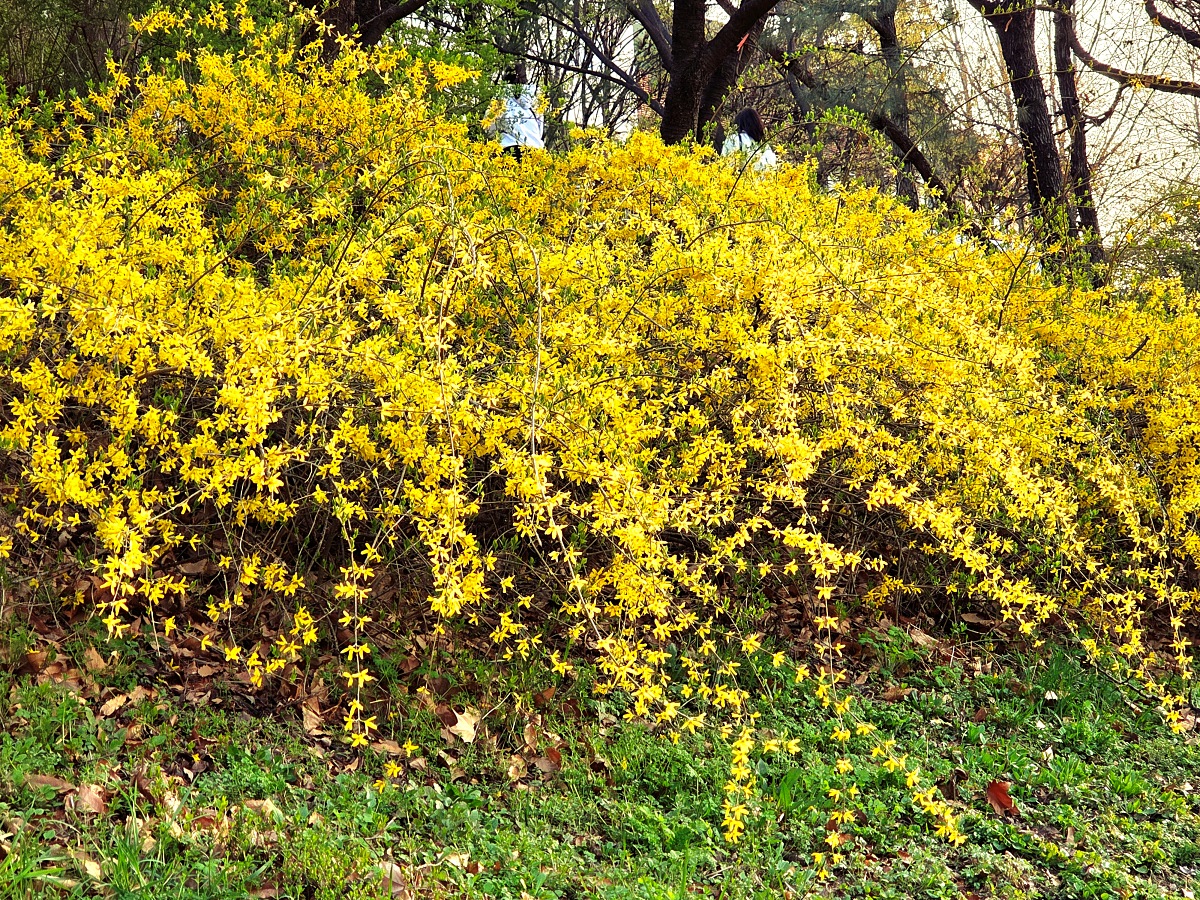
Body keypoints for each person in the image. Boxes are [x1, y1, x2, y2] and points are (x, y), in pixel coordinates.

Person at [493, 64, 544, 160]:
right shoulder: (536, 100)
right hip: (536, 151)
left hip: (509, 150)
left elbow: (489, 128)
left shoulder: (500, 99)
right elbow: (539, 131)